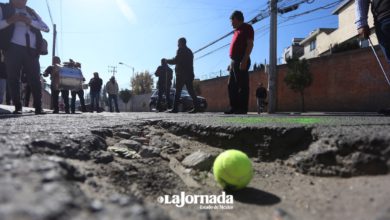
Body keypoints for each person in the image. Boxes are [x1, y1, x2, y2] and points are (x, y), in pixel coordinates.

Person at [0, 0, 50, 114]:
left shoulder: (32, 12)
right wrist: (12, 19)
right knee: (13, 78)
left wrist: (29, 21)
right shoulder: (3, 8)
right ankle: (18, 107)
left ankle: (38, 107)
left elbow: (46, 28)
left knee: (35, 79)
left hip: (31, 50)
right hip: (12, 48)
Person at [225, 10, 254, 115]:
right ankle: (233, 107)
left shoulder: (247, 28)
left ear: (236, 19)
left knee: (242, 84)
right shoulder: (236, 31)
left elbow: (250, 44)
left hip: (242, 59)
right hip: (234, 60)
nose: (231, 23)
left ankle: (242, 108)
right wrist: (231, 63)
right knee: (231, 85)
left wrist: (244, 59)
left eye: (232, 21)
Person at [165, 37, 200, 113]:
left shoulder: (181, 50)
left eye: (178, 43)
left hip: (181, 75)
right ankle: (197, 107)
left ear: (181, 43)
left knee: (177, 91)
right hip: (189, 74)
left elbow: (176, 60)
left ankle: (175, 109)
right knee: (191, 91)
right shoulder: (189, 51)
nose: (177, 45)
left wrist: (167, 61)